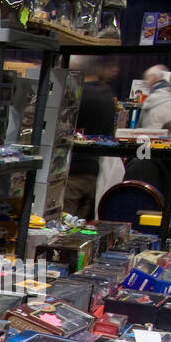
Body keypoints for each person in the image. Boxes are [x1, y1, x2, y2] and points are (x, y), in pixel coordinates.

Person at [66, 58, 120, 220]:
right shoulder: (108, 95)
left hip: (71, 172)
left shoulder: (76, 94)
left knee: (58, 226)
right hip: (93, 172)